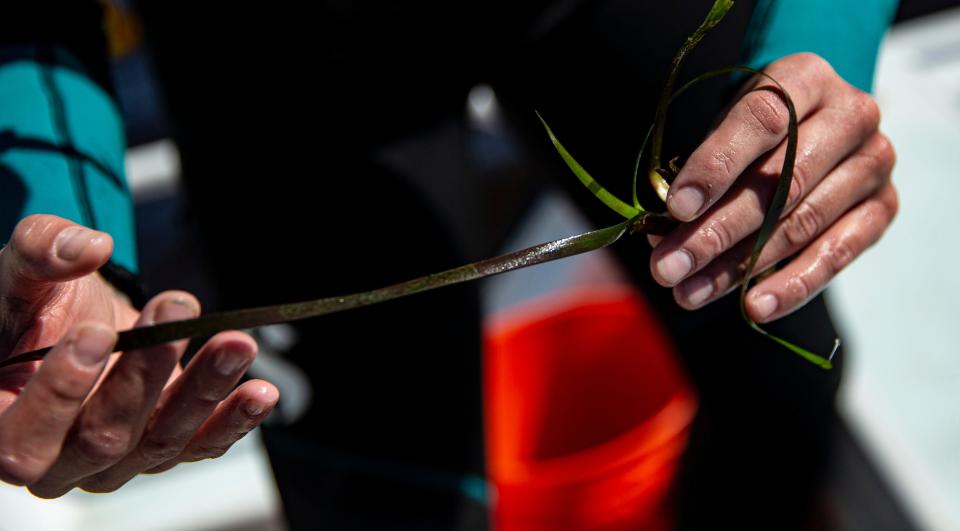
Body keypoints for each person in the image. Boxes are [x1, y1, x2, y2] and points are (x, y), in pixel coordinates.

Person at [0, 0, 898, 529]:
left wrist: (823, 46)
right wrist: (62, 227)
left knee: (780, 370)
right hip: (279, 53)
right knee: (389, 504)